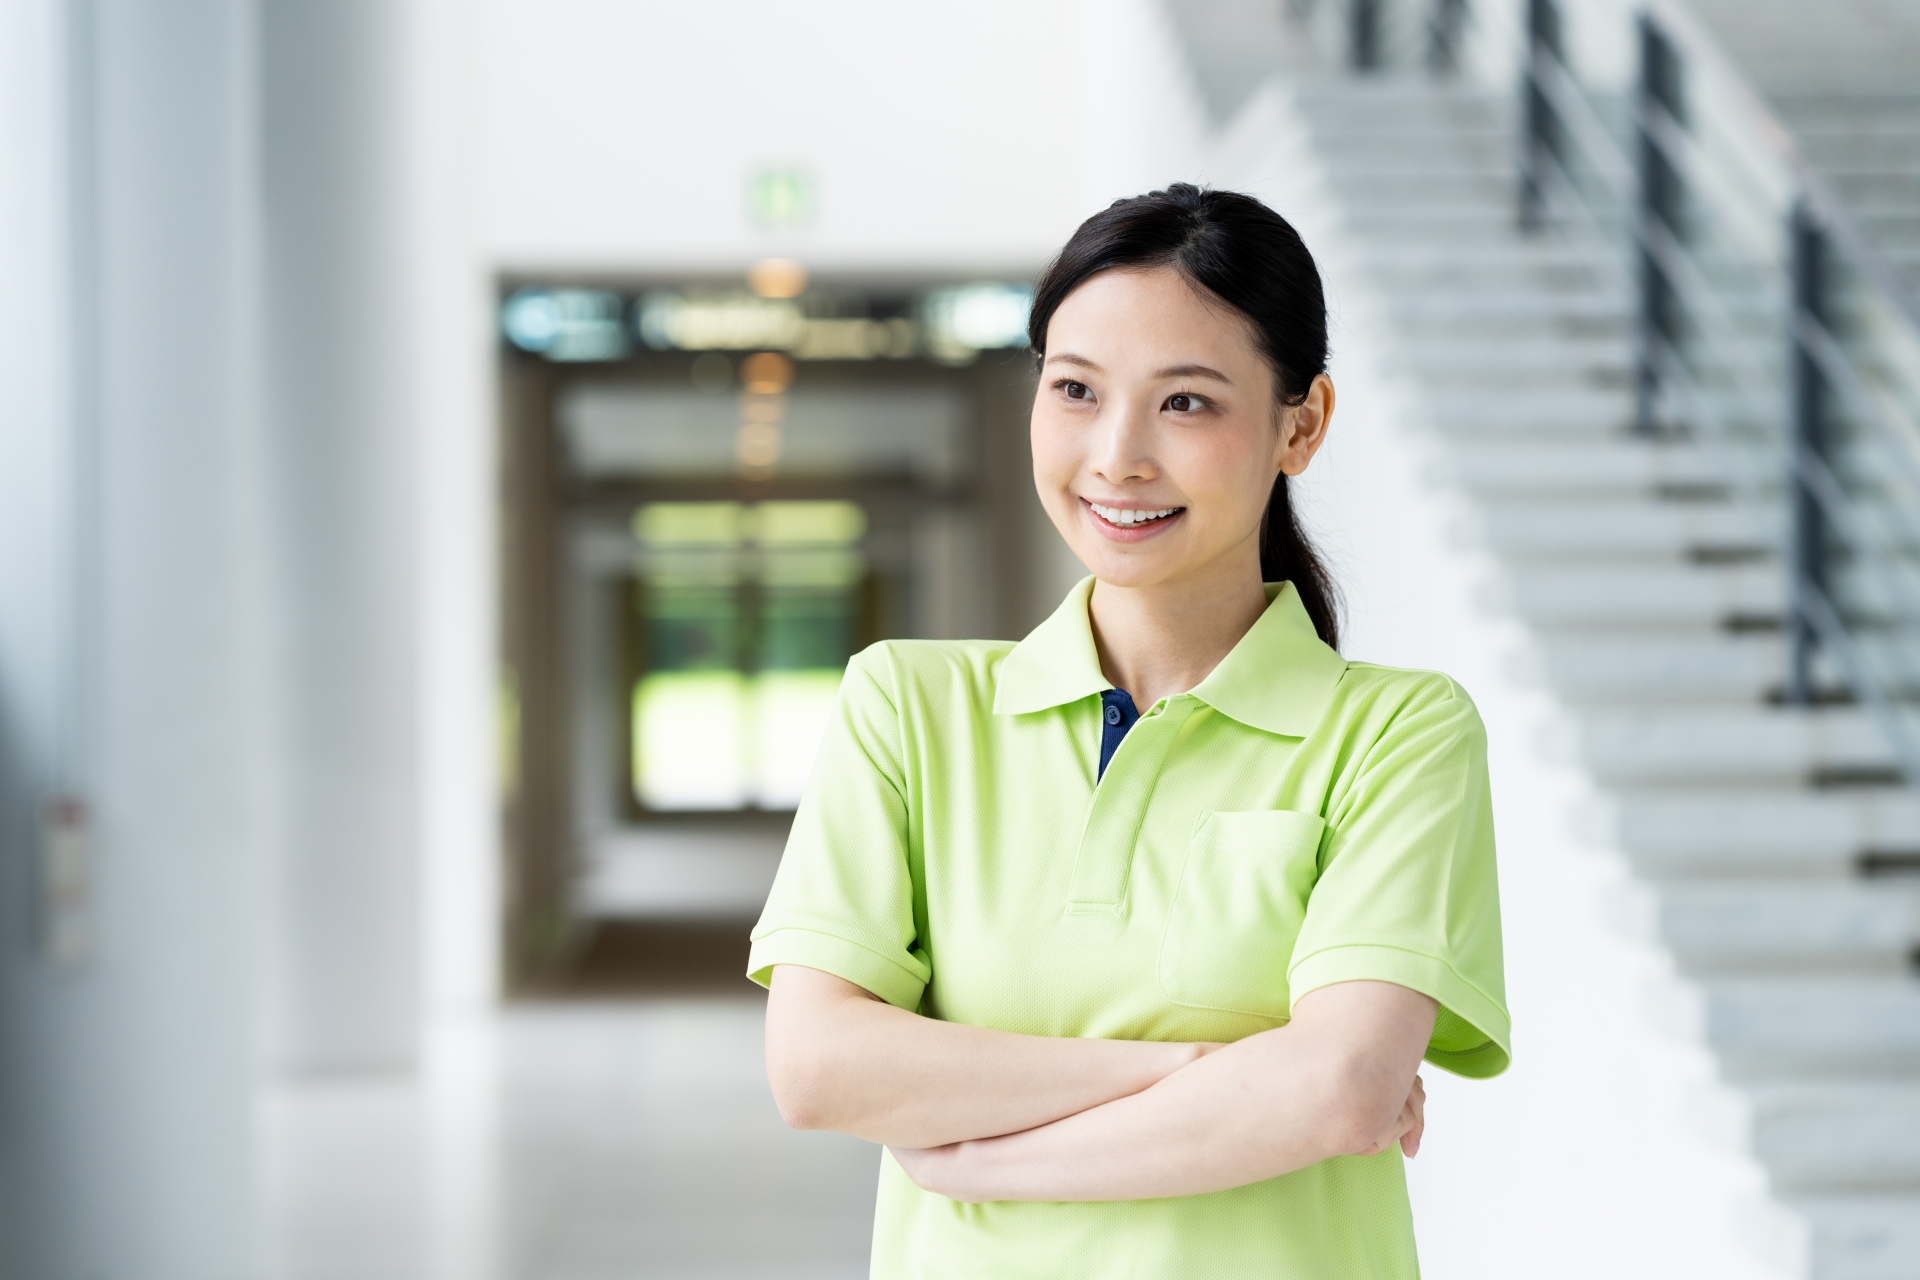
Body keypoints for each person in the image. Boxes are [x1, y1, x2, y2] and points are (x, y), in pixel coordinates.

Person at [748, 183, 1509, 1277]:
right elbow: (819, 1068)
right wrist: (1218, 1067)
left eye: (1186, 402)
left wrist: (980, 1154)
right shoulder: (906, 708)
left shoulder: (1398, 734)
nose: (1117, 456)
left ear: (1303, 425)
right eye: (1074, 389)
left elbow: (1339, 1091)